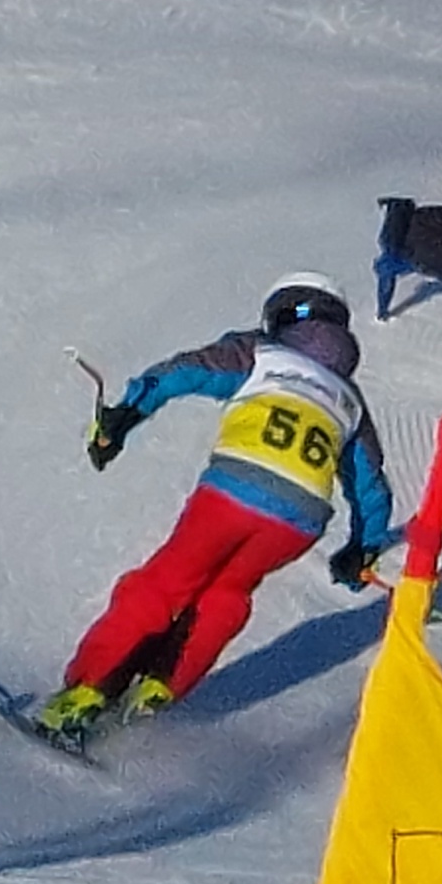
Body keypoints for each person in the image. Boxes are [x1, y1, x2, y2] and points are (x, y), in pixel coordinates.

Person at [26, 272, 396, 744]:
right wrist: (361, 550)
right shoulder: (349, 401)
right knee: (227, 594)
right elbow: (372, 488)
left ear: (280, 315)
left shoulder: (260, 352)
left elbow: (186, 371)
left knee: (164, 584)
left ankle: (84, 692)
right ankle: (158, 689)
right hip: (298, 520)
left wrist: (124, 415)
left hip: (235, 489)